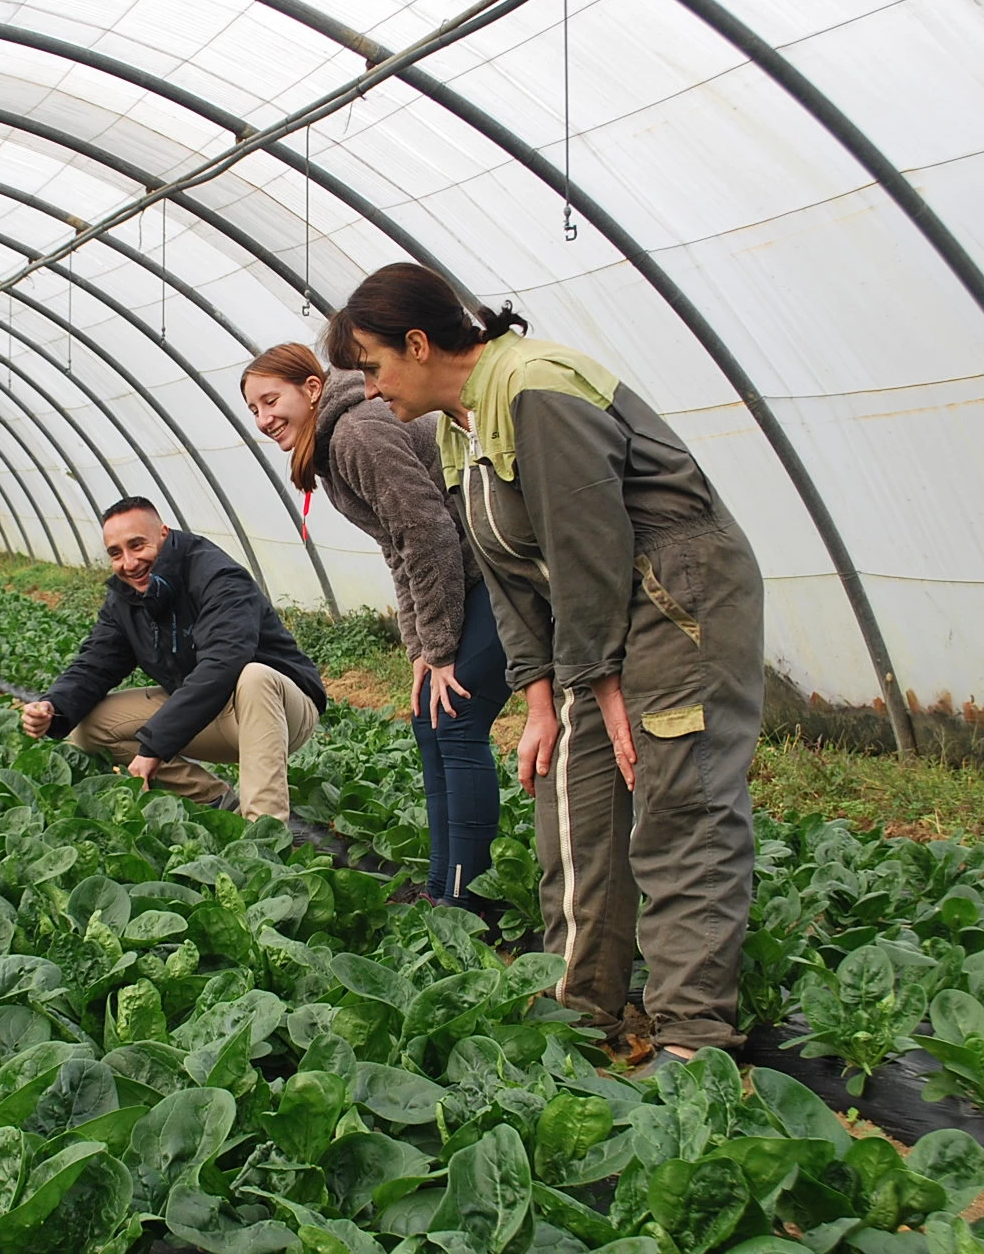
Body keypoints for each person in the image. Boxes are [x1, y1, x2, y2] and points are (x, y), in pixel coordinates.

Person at [325, 262, 764, 1058]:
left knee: (678, 799)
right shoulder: (458, 428)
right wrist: (538, 696)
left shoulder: (533, 388)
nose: (371, 390)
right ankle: (580, 1010)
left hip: (676, 596)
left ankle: (692, 1036)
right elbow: (508, 574)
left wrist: (601, 681)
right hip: (593, 618)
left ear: (418, 344)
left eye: (374, 367)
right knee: (576, 799)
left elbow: (588, 544)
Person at [242, 343, 509, 908]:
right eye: (254, 410)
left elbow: (428, 534)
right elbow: (398, 547)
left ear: (311, 389)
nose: (264, 419)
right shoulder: (332, 445)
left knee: (457, 719)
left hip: (499, 572)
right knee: (429, 718)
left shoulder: (356, 433)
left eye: (270, 400)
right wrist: (420, 649)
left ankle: (470, 901)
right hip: (467, 577)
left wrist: (441, 651)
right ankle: (442, 889)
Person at [19, 498, 326, 824]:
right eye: (116, 553)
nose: (129, 563)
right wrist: (54, 705)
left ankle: (265, 831)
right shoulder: (126, 598)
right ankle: (214, 799)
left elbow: (224, 663)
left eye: (137, 545)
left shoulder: (216, 576)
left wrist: (153, 747)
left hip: (278, 713)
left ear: (163, 533)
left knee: (254, 676)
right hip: (208, 714)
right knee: (88, 727)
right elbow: (96, 662)